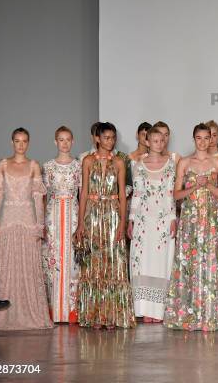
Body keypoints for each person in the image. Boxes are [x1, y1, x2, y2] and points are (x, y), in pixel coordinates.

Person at [164, 123, 218, 331]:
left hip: (210, 222)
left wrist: (208, 184)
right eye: (198, 138)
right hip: (190, 223)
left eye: (206, 137)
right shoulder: (184, 162)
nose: (202, 141)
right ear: (194, 139)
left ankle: (211, 315)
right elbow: (175, 195)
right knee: (189, 266)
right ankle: (188, 315)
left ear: (212, 139)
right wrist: (194, 186)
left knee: (210, 264)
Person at [0, 128, 52, 330]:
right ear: (12, 143)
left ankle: (31, 313)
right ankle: (4, 315)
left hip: (27, 218)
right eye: (17, 141)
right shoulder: (3, 164)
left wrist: (40, 225)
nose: (21, 145)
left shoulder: (34, 165)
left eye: (24, 141)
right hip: (7, 219)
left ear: (29, 143)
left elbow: (37, 199)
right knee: (7, 264)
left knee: (28, 265)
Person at [76, 122, 135, 329]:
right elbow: (83, 193)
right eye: (107, 137)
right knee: (93, 263)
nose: (110, 141)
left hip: (111, 215)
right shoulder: (87, 161)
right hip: (92, 215)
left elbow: (122, 195)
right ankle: (94, 315)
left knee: (113, 262)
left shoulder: (119, 162)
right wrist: (80, 223)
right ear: (97, 138)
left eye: (113, 138)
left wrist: (122, 222)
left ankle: (112, 315)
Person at [128, 127, 177, 323]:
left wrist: (173, 218)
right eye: (155, 140)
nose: (159, 143)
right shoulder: (139, 165)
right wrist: (131, 220)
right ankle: (143, 308)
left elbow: (171, 193)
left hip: (163, 220)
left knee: (161, 261)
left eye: (162, 140)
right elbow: (138, 195)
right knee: (143, 261)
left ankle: (158, 310)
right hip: (143, 219)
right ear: (147, 142)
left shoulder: (171, 164)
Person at [42, 126, 81, 323]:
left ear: (72, 141)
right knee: (54, 258)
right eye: (60, 139)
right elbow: (43, 195)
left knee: (72, 259)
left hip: (73, 214)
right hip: (53, 215)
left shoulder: (78, 165)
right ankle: (54, 311)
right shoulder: (48, 166)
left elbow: (82, 195)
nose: (64, 143)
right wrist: (42, 221)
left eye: (67, 139)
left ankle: (72, 311)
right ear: (55, 142)